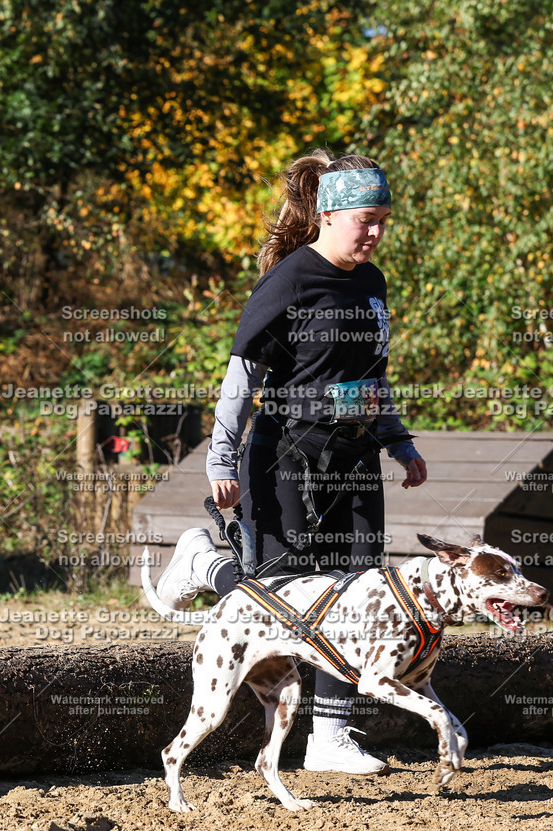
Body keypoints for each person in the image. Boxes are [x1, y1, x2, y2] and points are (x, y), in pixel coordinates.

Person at [157, 149, 427, 774]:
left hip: (354, 460)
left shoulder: (372, 283)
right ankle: (207, 562)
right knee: (281, 595)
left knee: (355, 593)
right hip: (286, 457)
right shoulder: (288, 281)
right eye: (367, 218)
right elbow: (239, 378)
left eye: (385, 219)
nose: (377, 231)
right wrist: (221, 458)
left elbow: (369, 377)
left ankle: (331, 739)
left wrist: (398, 440)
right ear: (328, 215)